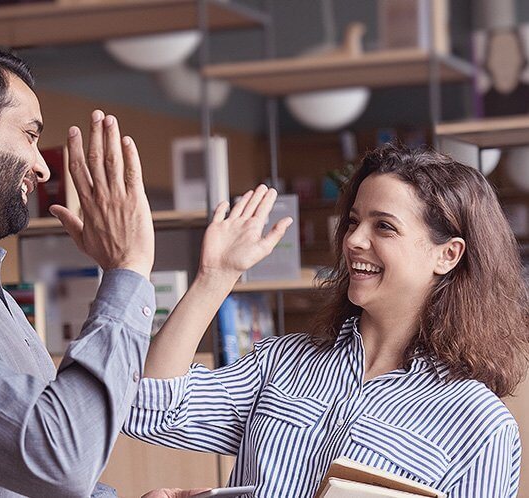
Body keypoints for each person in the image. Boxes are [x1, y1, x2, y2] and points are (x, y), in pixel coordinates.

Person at [0, 40, 286, 498]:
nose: (40, 168)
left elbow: (12, 478)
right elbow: (60, 459)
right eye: (29, 135)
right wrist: (127, 268)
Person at [124, 143, 529, 497]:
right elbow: (147, 409)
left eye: (384, 227)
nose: (353, 240)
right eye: (354, 220)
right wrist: (214, 278)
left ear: (448, 254)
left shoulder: (480, 424)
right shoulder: (282, 362)